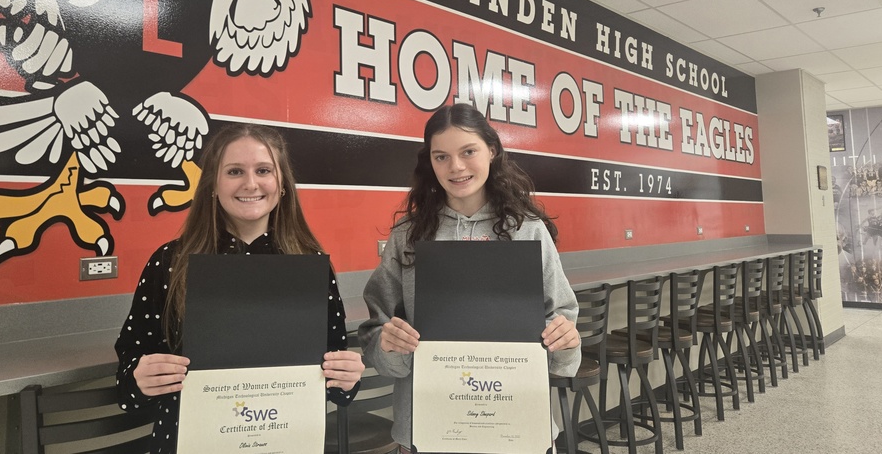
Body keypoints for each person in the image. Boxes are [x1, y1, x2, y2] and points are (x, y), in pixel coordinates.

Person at [115, 123, 364, 453]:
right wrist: (140, 379)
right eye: (234, 171)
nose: (250, 183)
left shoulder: (311, 266)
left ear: (282, 184)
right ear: (213, 185)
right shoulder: (169, 263)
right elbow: (127, 382)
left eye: (263, 170)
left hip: (286, 442)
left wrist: (346, 378)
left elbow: (335, 382)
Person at [358, 104, 581, 452]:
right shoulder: (407, 236)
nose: (456, 167)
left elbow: (562, 321)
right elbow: (376, 332)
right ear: (430, 163)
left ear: (491, 150)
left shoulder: (528, 231)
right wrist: (389, 345)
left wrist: (565, 340)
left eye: (468, 152)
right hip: (429, 426)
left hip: (516, 420)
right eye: (441, 157)